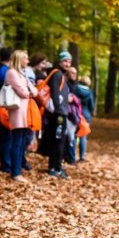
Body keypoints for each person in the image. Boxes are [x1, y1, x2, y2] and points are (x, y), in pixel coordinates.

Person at [4, 51, 38, 182]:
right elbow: (23, 92)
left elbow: (34, 91)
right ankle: (15, 172)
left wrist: (29, 91)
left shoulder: (22, 73)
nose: (28, 61)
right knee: (17, 142)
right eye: (26, 59)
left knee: (22, 142)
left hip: (25, 111)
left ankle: (18, 169)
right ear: (20, 59)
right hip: (18, 111)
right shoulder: (12, 73)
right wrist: (28, 91)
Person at [42, 51, 72, 179]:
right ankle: (55, 168)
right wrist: (59, 109)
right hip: (58, 114)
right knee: (58, 140)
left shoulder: (61, 75)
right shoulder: (57, 74)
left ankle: (56, 166)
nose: (67, 63)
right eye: (65, 60)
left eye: (69, 61)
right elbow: (54, 92)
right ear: (59, 61)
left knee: (59, 140)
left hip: (61, 112)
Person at [74, 75, 95, 161]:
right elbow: (91, 106)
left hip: (75, 114)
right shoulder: (89, 92)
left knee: (74, 135)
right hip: (86, 116)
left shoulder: (75, 89)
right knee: (83, 136)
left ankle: (72, 155)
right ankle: (82, 156)